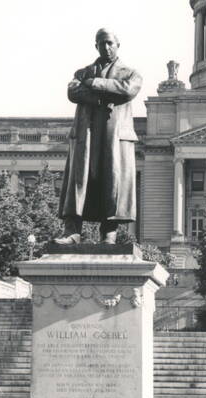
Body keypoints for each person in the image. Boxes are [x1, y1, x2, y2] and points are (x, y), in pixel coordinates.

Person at [55, 28, 142, 244]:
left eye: (110, 43)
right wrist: (101, 98)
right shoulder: (82, 72)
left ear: (118, 45)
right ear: (96, 46)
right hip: (88, 134)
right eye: (102, 43)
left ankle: (109, 234)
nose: (106, 47)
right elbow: (72, 92)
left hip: (113, 137)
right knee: (80, 180)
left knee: (111, 181)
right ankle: (72, 231)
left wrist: (94, 83)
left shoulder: (130, 74)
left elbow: (127, 90)